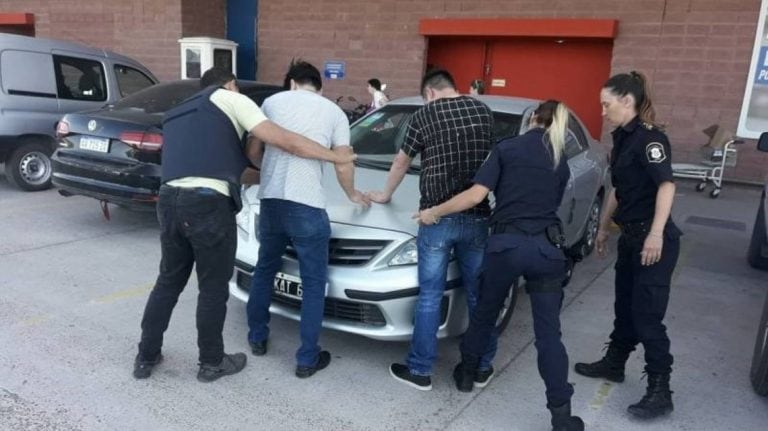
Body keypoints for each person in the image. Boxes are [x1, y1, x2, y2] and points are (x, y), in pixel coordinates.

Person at [133, 67, 355, 383]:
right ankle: (211, 363)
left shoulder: (179, 111)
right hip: (209, 205)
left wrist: (272, 176)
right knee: (212, 288)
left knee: (168, 281)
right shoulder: (231, 99)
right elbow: (287, 142)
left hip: (169, 200)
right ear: (232, 85)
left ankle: (146, 356)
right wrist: (335, 158)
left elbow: (235, 166)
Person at [415, 100, 584, 431]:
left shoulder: (507, 148)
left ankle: (466, 374)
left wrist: (434, 211)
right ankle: (561, 414)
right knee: (549, 334)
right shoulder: (559, 159)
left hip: (505, 247)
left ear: (532, 119)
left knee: (484, 314)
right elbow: (554, 203)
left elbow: (475, 196)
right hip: (546, 251)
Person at [367, 69, 498, 391]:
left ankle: (420, 370)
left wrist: (385, 195)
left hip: (436, 218)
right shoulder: (483, 111)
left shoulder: (424, 115)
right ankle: (481, 366)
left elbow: (401, 162)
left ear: (429, 93)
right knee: (480, 294)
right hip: (478, 214)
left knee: (429, 297)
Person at [246, 60, 370, 378]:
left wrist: (268, 169)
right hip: (308, 206)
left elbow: (253, 150)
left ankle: (257, 338)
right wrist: (353, 194)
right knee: (314, 283)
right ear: (320, 86)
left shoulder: (271, 103)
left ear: (291, 83)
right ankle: (306, 358)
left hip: (271, 201)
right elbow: (343, 162)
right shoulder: (334, 113)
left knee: (264, 270)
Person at [573, 71, 681, 419]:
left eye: (607, 104)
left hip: (653, 240)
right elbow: (619, 190)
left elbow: (666, 186)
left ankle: (660, 389)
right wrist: (604, 228)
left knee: (648, 317)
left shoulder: (651, 139)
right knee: (625, 308)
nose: (602, 112)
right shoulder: (622, 138)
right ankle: (615, 363)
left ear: (627, 101)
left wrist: (656, 234)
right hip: (631, 237)